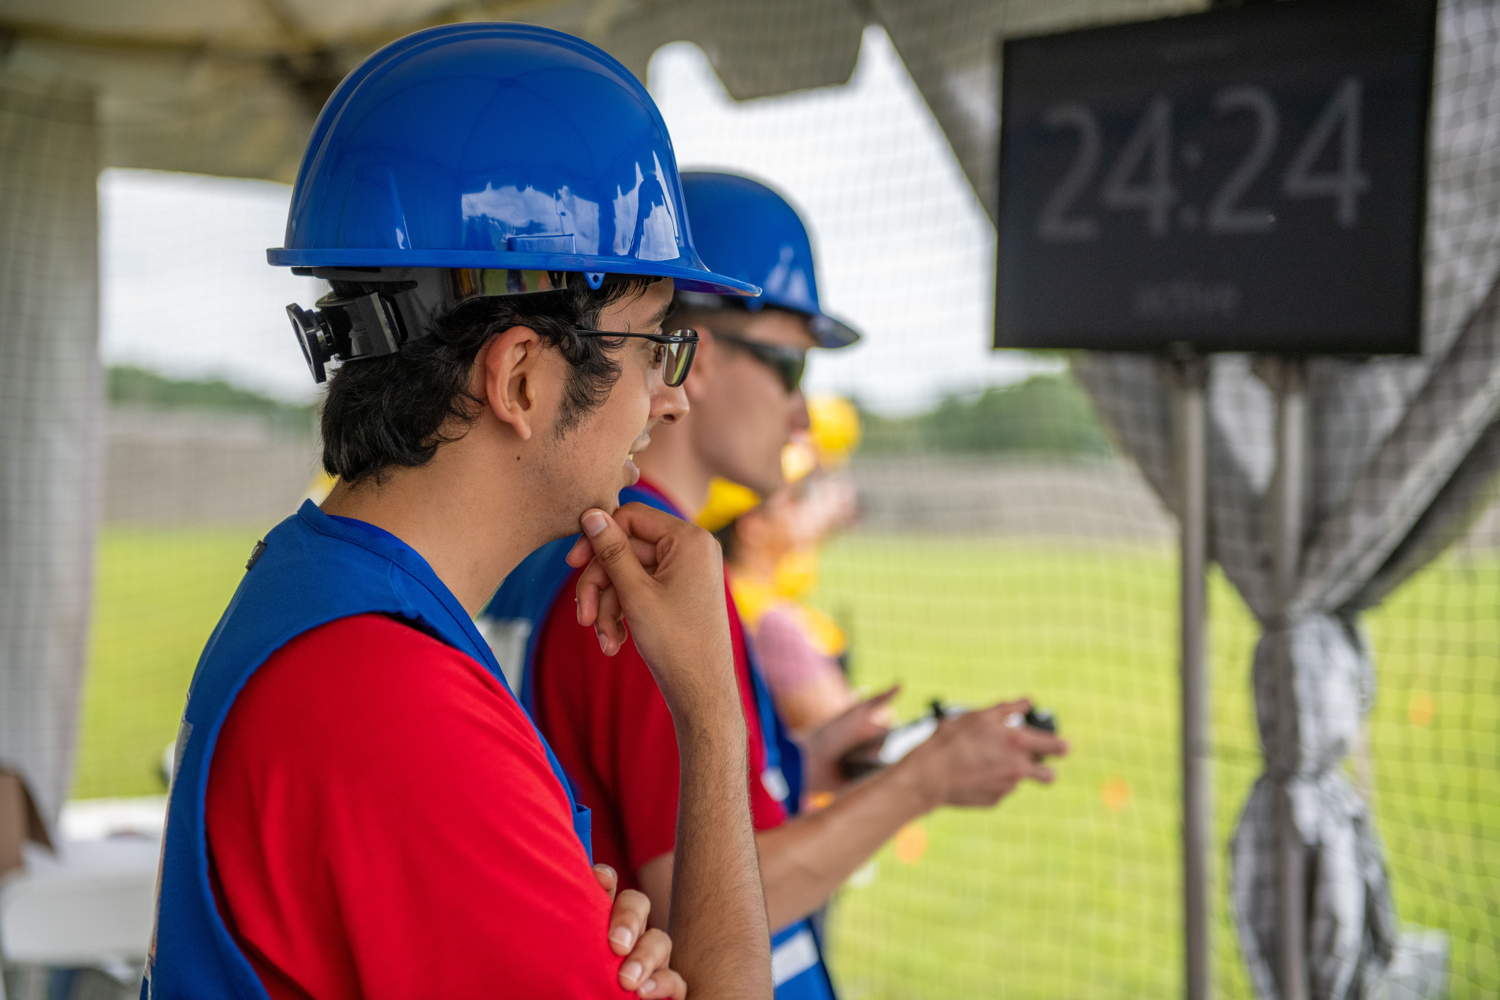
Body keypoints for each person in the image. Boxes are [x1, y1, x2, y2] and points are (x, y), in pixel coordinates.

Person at [144, 25, 774, 1000]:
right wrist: (711, 715)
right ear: (519, 375)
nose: (671, 396)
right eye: (657, 346)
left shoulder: (332, 607)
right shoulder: (388, 700)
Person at [486, 171, 1069, 999]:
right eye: (791, 367)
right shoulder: (647, 562)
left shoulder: (567, 538)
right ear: (701, 355)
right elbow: (703, 909)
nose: (803, 416)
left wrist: (796, 764)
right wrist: (926, 778)